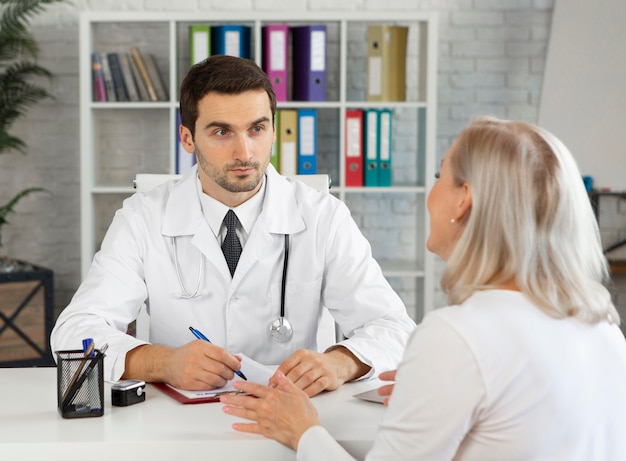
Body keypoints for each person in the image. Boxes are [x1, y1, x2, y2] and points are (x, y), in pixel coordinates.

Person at [221, 116, 626, 460]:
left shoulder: (458, 336)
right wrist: (434, 390)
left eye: (440, 177)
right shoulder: (605, 331)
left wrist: (303, 431)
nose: (432, 194)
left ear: (463, 200)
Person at [50, 55, 415, 395]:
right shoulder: (142, 217)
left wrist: (340, 363)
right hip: (176, 425)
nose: (245, 152)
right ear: (188, 138)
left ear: (274, 130)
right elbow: (74, 332)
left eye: (257, 129)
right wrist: (163, 362)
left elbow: (395, 328)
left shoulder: (323, 217)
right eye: (222, 132)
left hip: (290, 415)